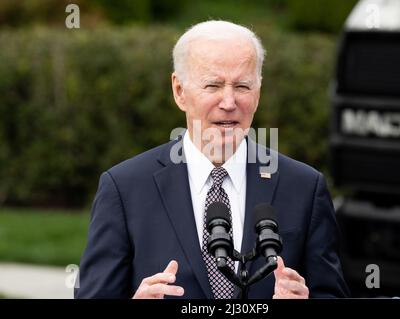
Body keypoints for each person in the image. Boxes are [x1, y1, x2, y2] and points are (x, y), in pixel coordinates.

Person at [74, 20, 349, 299]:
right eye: (213, 85)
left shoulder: (304, 187)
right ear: (179, 90)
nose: (229, 102)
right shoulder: (124, 188)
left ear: (258, 92)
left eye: (242, 86)